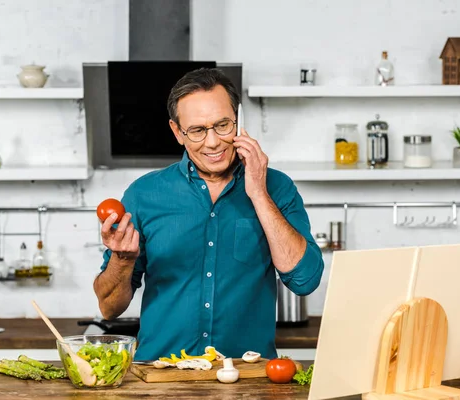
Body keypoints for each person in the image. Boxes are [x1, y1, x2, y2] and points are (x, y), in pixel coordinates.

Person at [94, 68, 324, 361]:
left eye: (223, 125)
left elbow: (305, 280)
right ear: (178, 132)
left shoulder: (277, 187)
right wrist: (122, 259)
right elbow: (109, 308)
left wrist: (259, 195)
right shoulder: (143, 195)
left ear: (239, 123)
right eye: (198, 130)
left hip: (246, 377)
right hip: (160, 376)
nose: (213, 142)